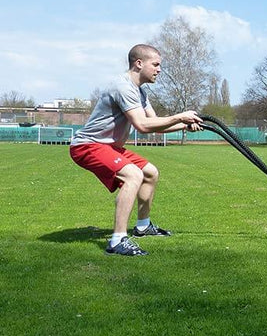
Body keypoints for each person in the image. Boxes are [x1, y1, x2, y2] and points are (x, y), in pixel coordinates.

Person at [70, 44, 203, 256]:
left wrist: (185, 125)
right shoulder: (122, 87)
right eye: (156, 64)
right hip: (88, 145)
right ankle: (117, 240)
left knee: (150, 172)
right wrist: (180, 117)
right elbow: (142, 126)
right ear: (139, 64)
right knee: (134, 175)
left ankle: (143, 226)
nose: (159, 70)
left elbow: (155, 124)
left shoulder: (140, 92)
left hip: (109, 147)